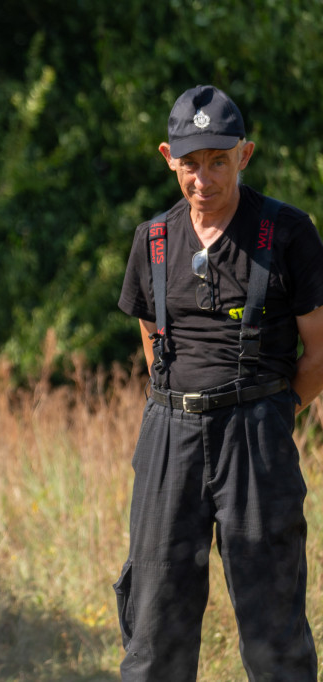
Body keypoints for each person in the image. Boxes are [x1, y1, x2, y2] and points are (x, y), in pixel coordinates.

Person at [115, 84, 323, 681]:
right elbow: (152, 339)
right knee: (154, 624)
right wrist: (180, 407)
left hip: (256, 435)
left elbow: (320, 349)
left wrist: (276, 410)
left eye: (218, 161)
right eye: (190, 164)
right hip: (168, 435)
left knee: (273, 625)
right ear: (167, 157)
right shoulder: (152, 240)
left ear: (245, 154)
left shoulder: (287, 233)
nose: (203, 178)